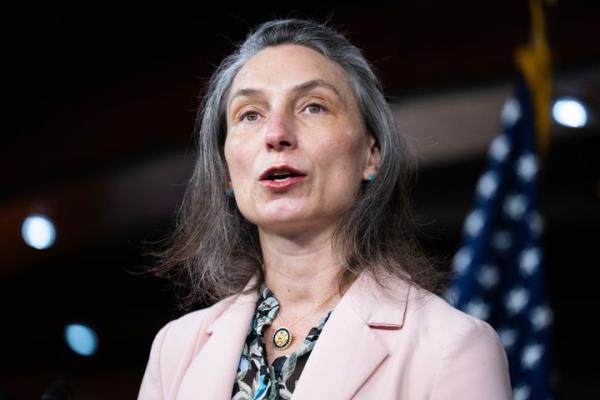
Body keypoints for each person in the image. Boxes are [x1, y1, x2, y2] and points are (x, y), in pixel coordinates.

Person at [138, 18, 511, 400]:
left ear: (371, 155)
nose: (276, 133)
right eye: (250, 114)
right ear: (227, 171)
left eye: (313, 107)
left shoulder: (453, 346)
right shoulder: (174, 350)